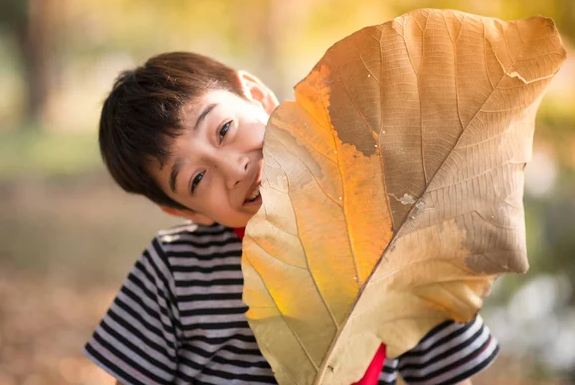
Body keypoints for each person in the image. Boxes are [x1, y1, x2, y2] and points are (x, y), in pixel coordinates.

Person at [84, 52, 499, 385]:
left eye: (225, 129)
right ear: (185, 211)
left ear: (258, 97)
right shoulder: (171, 269)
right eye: (196, 178)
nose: (235, 170)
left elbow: (450, 372)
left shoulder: (393, 238)